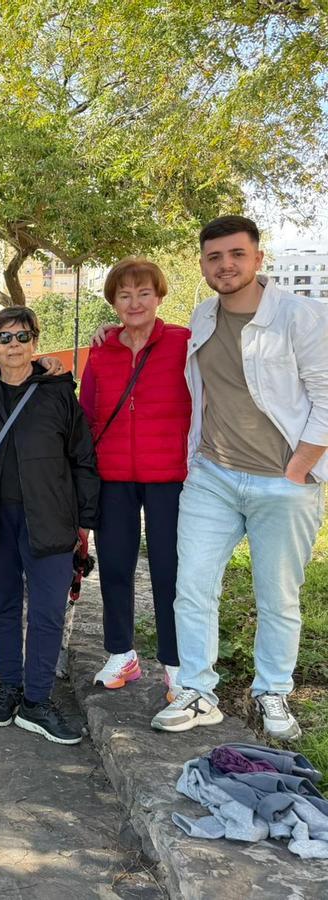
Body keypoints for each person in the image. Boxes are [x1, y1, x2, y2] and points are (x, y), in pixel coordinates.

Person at [151, 215, 327, 740]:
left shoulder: (300, 316)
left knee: (278, 595)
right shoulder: (203, 315)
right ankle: (197, 690)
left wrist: (297, 469)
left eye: (236, 254)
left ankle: (272, 689)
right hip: (212, 476)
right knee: (192, 586)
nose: (225, 265)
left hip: (283, 483)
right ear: (203, 264)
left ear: (257, 257)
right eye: (214, 257)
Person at [0, 306, 99, 745]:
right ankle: (9, 687)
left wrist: (84, 521)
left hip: (51, 518)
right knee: (2, 605)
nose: (14, 345)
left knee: (46, 611)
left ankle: (37, 701)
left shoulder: (58, 391)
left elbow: (82, 457)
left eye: (23, 337)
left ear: (35, 342)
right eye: (5, 338)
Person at [79, 258, 190, 699]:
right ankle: (121, 652)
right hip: (114, 478)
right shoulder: (101, 351)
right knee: (116, 568)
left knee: (169, 571)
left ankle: (176, 663)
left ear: (159, 296)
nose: (135, 302)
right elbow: (87, 415)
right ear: (113, 303)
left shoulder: (184, 342)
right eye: (124, 295)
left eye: (144, 293)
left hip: (170, 477)